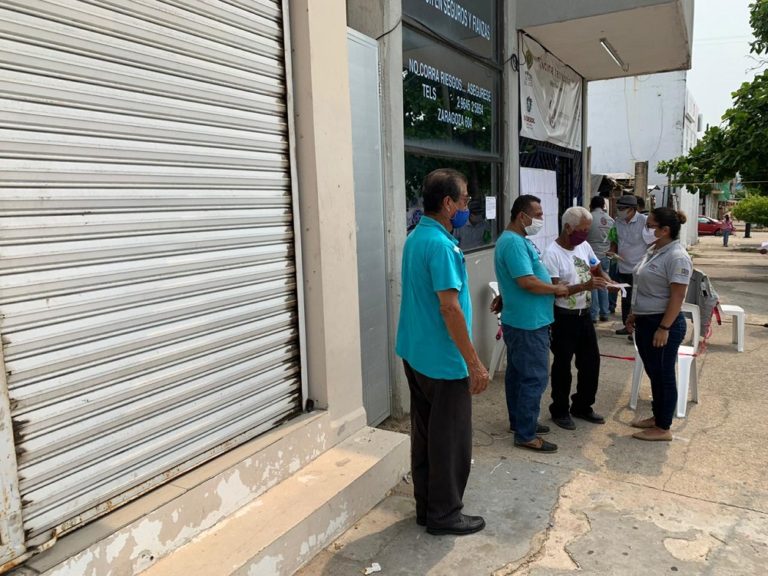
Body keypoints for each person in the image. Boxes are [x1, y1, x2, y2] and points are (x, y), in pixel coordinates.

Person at [395, 168, 489, 536]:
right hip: (443, 362)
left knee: (426, 436)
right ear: (448, 203)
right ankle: (445, 514)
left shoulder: (416, 237)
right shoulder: (442, 247)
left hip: (417, 354)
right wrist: (474, 363)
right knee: (450, 442)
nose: (467, 206)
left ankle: (427, 508)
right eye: (464, 199)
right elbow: (449, 308)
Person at [493, 195, 569, 453]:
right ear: (521, 216)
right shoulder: (513, 243)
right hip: (528, 323)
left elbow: (516, 279)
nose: (541, 219)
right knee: (534, 377)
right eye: (537, 214)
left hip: (525, 319)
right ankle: (526, 434)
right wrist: (555, 289)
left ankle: (521, 422)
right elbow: (526, 281)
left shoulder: (518, 240)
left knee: (518, 375)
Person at [543, 207, 617, 430]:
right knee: (562, 365)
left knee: (590, 362)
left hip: (584, 314)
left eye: (587, 230)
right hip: (563, 317)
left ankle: (583, 405)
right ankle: (560, 409)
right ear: (568, 228)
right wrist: (584, 286)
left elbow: (597, 268)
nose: (586, 234)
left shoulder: (583, 246)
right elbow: (556, 290)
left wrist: (608, 280)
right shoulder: (552, 253)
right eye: (583, 230)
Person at [625, 208, 693, 441]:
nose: (645, 229)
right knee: (654, 372)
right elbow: (642, 285)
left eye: (649, 226)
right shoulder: (654, 250)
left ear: (665, 230)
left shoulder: (677, 257)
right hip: (646, 319)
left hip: (663, 322)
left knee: (663, 374)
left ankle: (663, 427)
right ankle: (657, 416)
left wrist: (664, 328)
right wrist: (635, 313)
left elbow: (677, 296)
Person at [609, 194, 648, 335]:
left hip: (639, 268)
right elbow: (615, 240)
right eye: (618, 208)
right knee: (625, 298)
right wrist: (612, 251)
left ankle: (638, 328)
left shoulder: (644, 221)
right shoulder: (617, 221)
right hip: (623, 267)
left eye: (622, 208)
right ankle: (627, 326)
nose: (619, 211)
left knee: (637, 299)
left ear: (632, 209)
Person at [587, 196, 614, 322]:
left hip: (591, 257)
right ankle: (605, 312)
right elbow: (614, 239)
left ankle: (594, 314)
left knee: (593, 284)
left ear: (591, 205)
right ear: (603, 205)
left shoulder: (588, 218)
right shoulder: (610, 220)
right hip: (605, 255)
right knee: (604, 283)